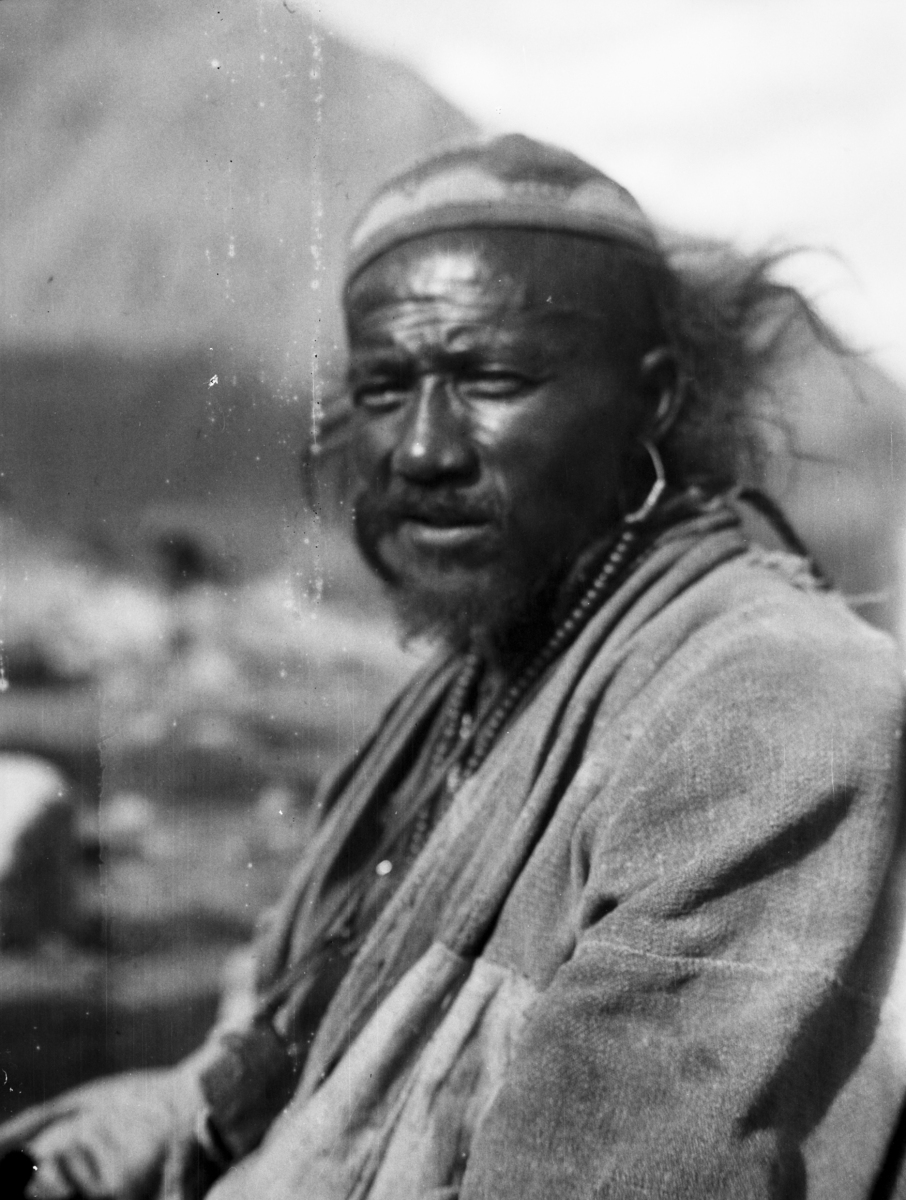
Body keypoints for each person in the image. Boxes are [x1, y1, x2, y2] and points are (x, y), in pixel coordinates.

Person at [2, 134, 905, 1200]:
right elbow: (263, 1061)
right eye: (384, 389)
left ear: (653, 402)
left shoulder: (766, 705)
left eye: (492, 379)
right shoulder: (486, 669)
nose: (422, 449)